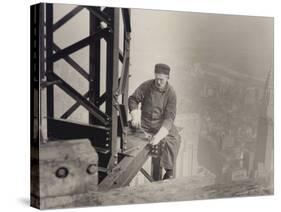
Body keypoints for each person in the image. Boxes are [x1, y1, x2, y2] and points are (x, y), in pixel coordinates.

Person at [128, 63, 181, 180]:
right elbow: (133, 99)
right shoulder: (146, 85)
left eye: (161, 80)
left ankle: (169, 170)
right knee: (126, 133)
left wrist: (158, 137)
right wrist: (135, 115)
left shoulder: (171, 93)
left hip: (160, 125)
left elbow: (169, 117)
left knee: (174, 138)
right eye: (157, 79)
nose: (158, 82)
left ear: (167, 78)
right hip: (144, 123)